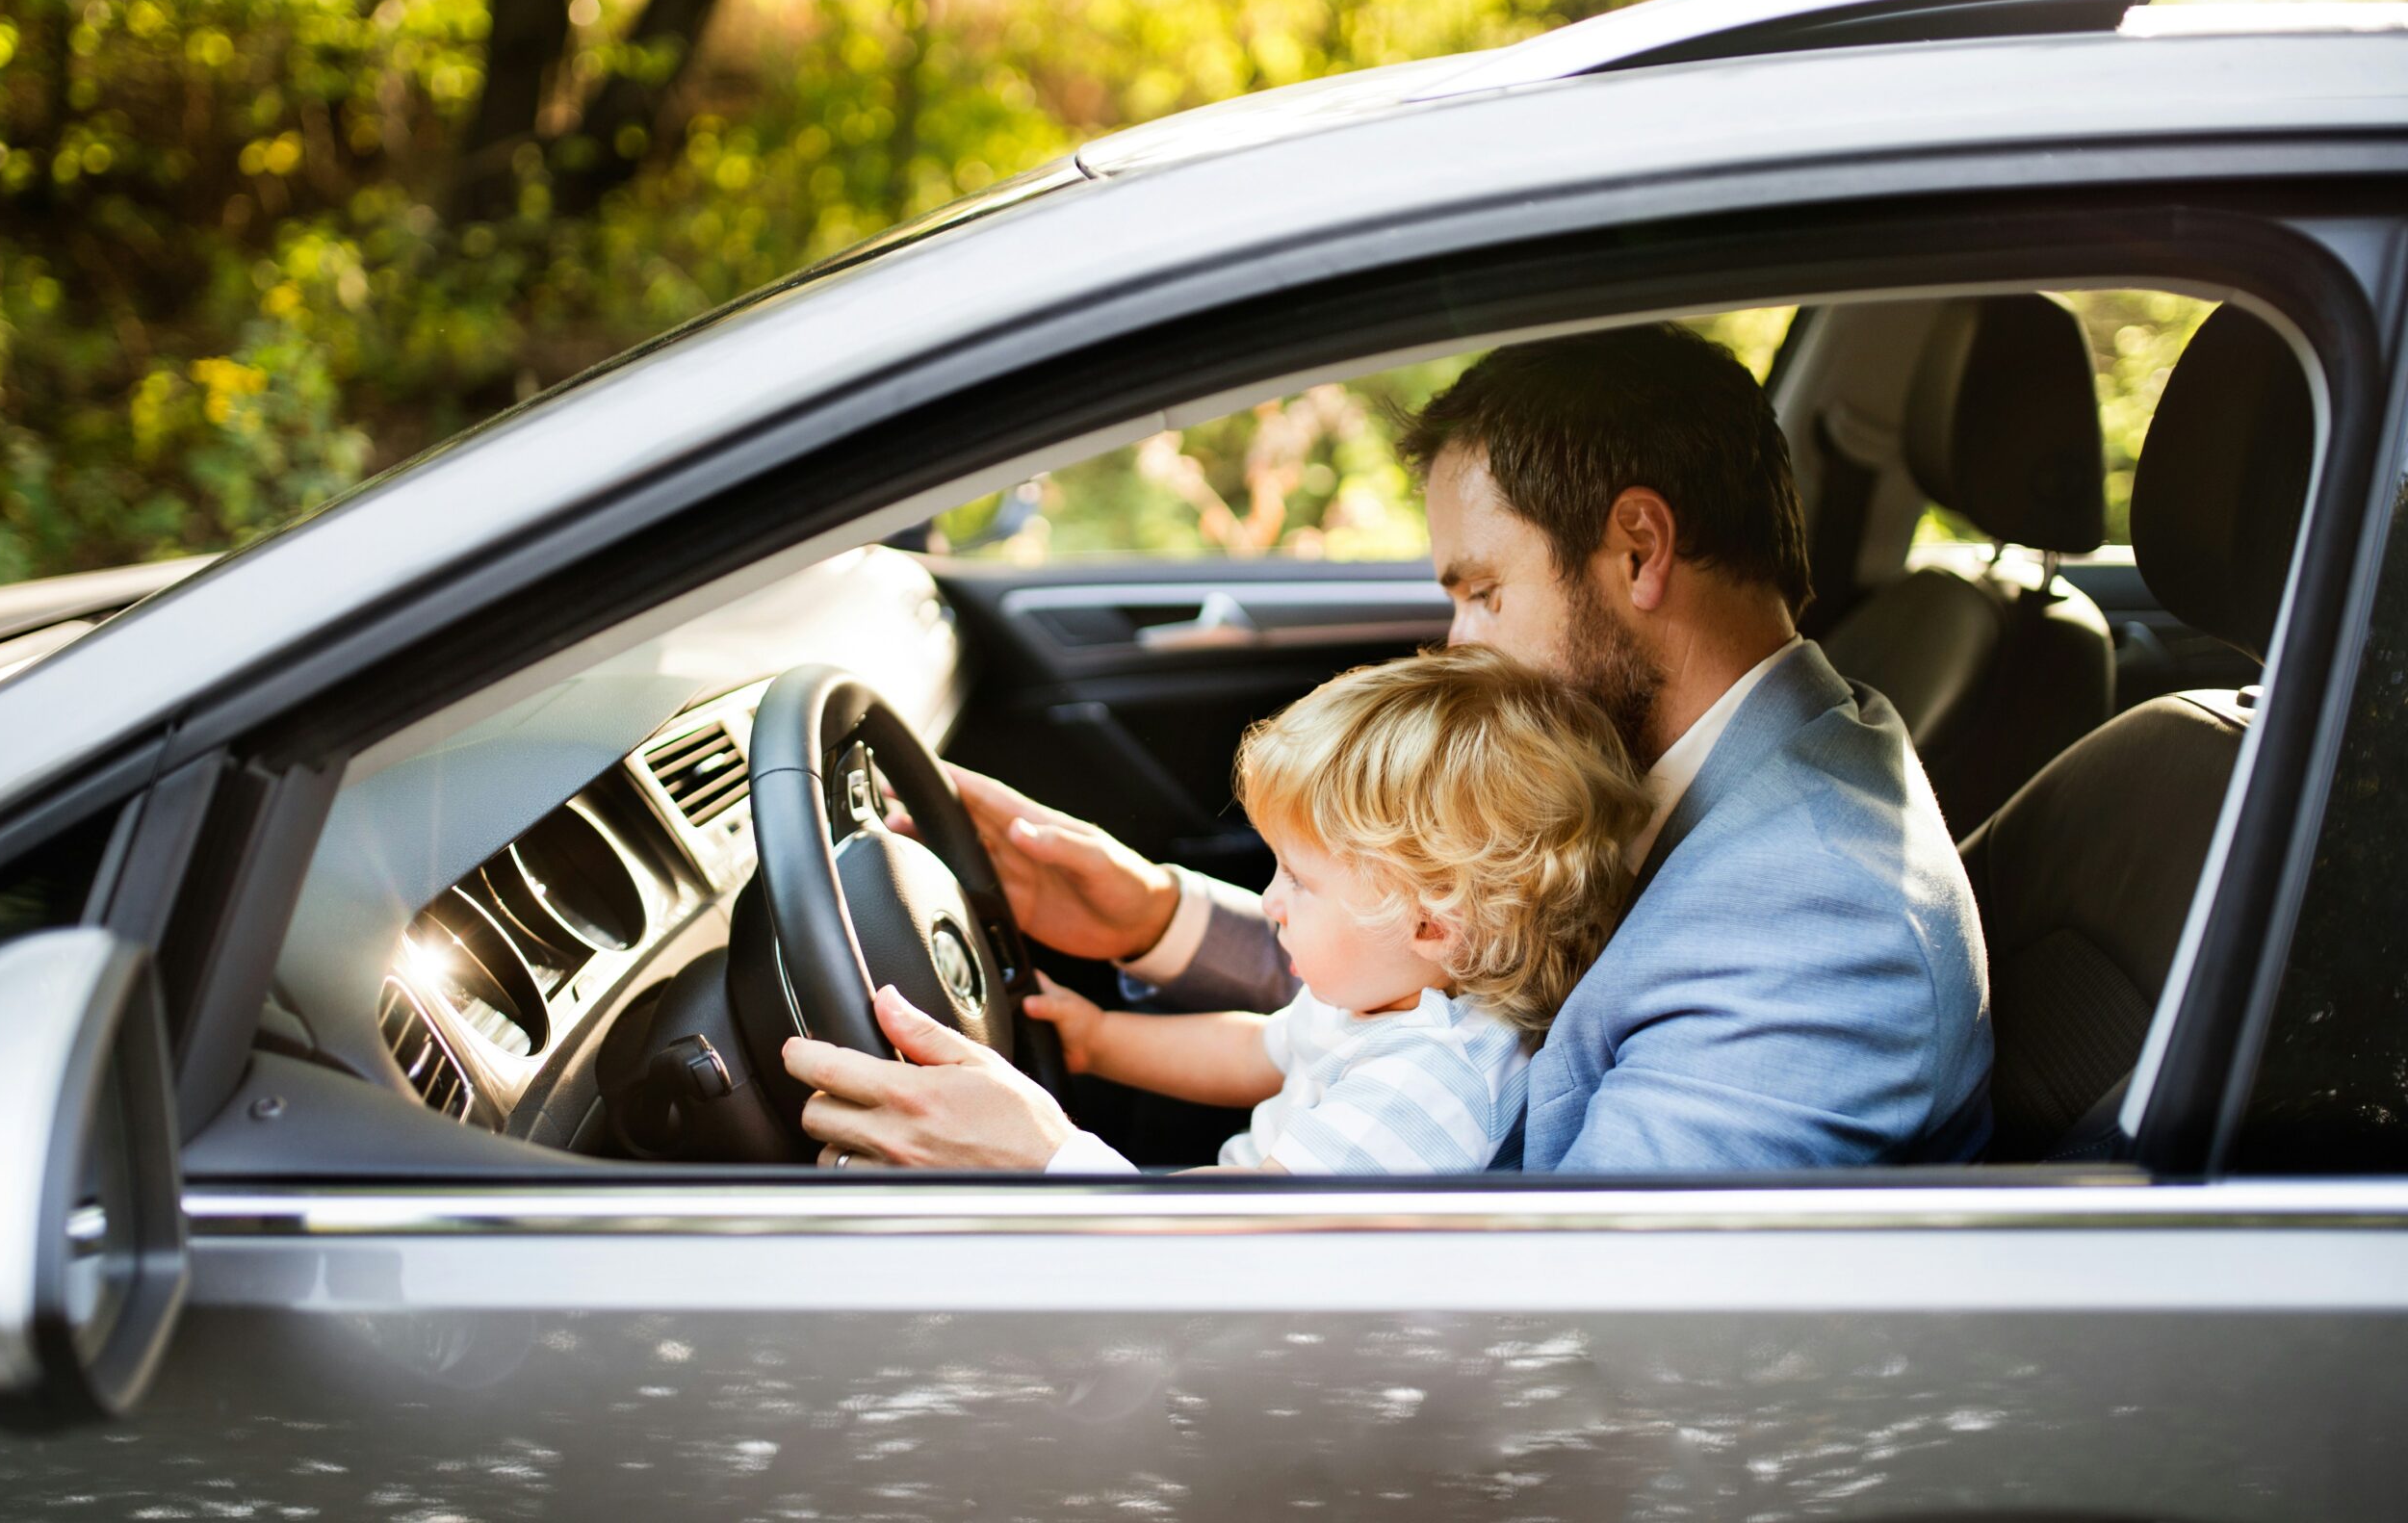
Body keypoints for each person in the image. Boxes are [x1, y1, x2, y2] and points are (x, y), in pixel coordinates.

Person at [784, 323, 1994, 1174]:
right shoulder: (1706, 779)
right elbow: (1456, 979)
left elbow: (1583, 1350)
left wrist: (1052, 1177)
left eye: (1481, 591)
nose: (1457, 642)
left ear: (1636, 551)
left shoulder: (1819, 927)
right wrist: (1156, 919)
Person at [1019, 644, 1645, 1174]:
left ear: (1430, 924)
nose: (1270, 901)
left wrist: (1053, 1159)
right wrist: (1098, 1041)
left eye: (1298, 879)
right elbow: (1255, 1052)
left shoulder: (1426, 1085)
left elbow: (1240, 1236)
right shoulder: (1390, 989)